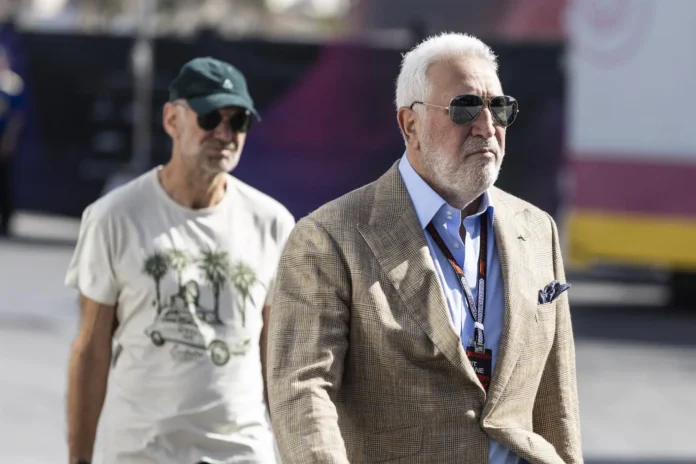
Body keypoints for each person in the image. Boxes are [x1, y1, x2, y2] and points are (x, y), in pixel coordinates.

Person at [267, 32, 582, 464]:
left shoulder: (537, 229)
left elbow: (556, 396)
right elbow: (302, 390)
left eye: (499, 108)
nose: (486, 127)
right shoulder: (328, 237)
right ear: (409, 124)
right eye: (465, 107)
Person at [65, 57, 295, 464]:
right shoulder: (114, 217)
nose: (224, 133)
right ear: (172, 119)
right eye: (210, 117)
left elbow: (276, 354)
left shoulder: (272, 222)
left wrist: (295, 450)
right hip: (141, 452)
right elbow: (92, 349)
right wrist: (79, 458)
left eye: (238, 121)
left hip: (240, 452)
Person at [0, 45, 24, 236]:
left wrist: (8, 141)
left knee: (4, 182)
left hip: (3, 139)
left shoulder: (12, 83)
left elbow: (17, 117)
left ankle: (6, 222)